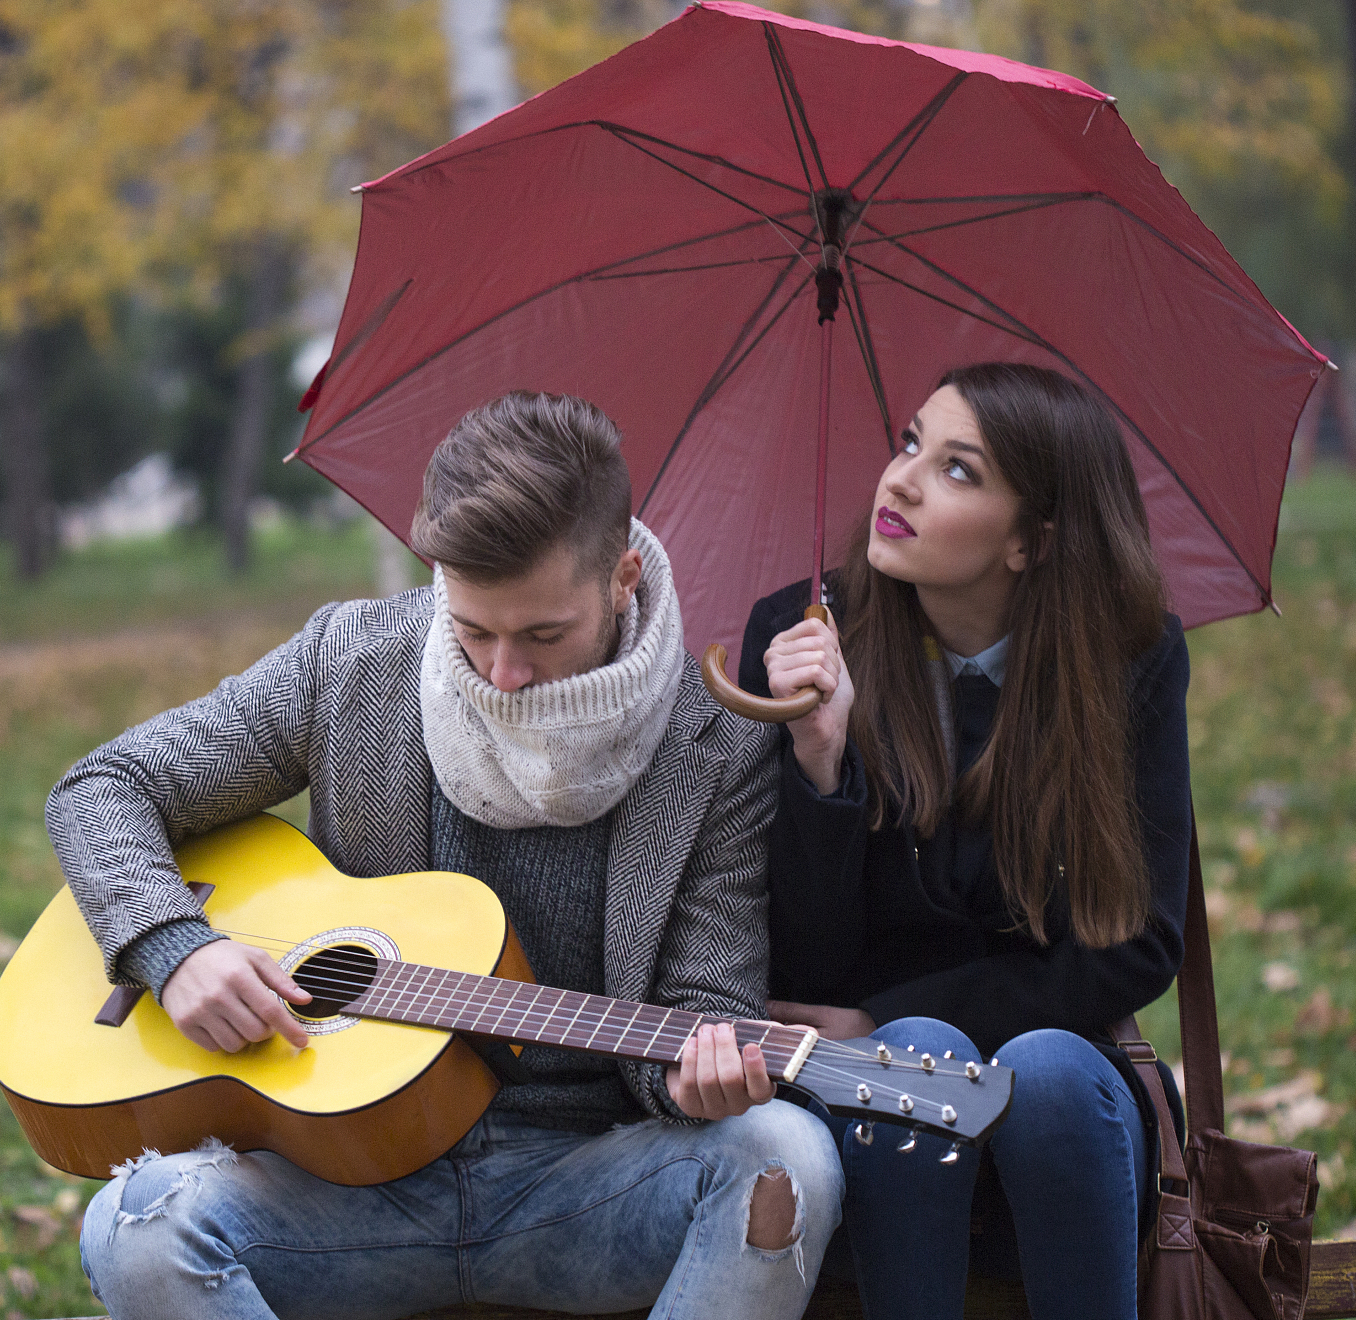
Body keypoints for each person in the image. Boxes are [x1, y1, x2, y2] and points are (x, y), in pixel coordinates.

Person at [51, 390, 841, 1320]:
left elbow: (708, 1002)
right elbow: (103, 787)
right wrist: (175, 945)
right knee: (134, 1226)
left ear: (623, 576)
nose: (503, 672)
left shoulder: (716, 743)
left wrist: (695, 1078)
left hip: (585, 1185)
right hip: (343, 1181)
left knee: (786, 1158)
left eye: (543, 634)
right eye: (472, 629)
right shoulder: (351, 661)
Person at [738, 363, 1191, 1320]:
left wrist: (889, 1016)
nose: (899, 480)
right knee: (917, 1054)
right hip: (866, 1120)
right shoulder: (800, 637)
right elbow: (799, 967)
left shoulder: (1127, 657)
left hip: (1064, 1127)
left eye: (957, 469)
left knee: (1045, 1068)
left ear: (1033, 539)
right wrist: (820, 758)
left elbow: (1139, 939)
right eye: (909, 442)